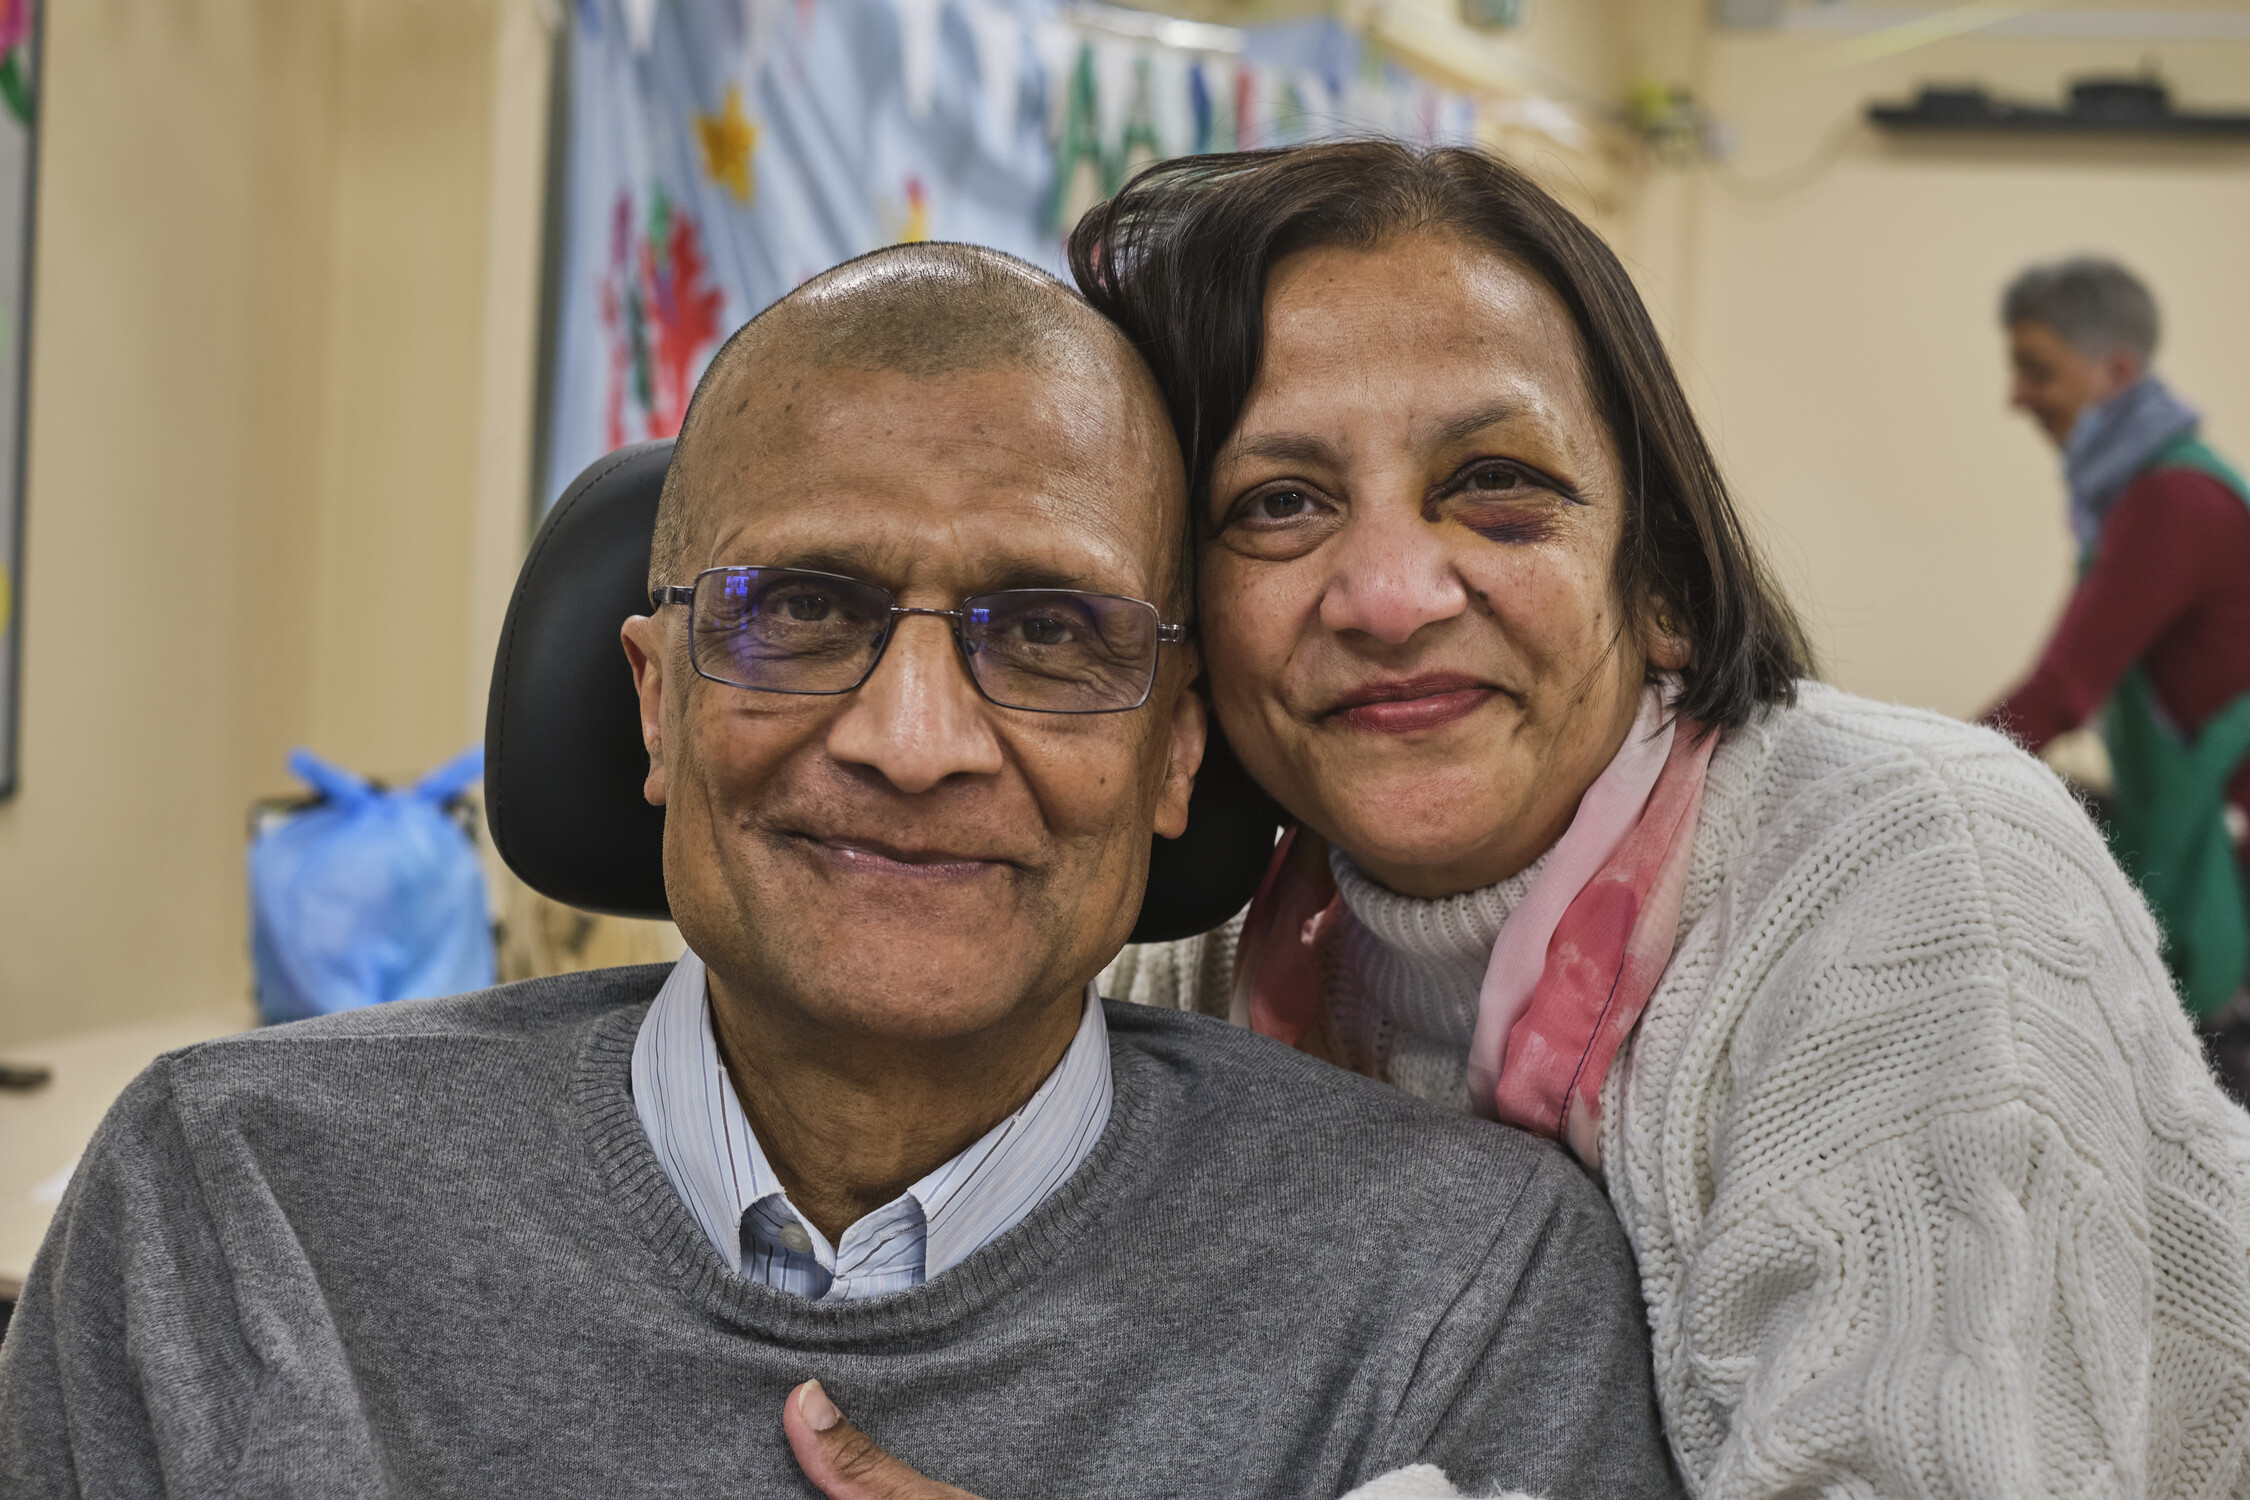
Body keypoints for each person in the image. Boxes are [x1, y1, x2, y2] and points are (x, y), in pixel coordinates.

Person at [0, 243, 1683, 1499]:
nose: (916, 738)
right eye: (802, 611)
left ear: (1180, 751)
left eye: (1048, 631)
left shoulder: (1453, 1295)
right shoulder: (242, 1200)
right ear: (656, 703)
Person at [802, 149, 2250, 1500]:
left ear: (1660, 579)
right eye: (1279, 502)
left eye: (1495, 485)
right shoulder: (1215, 939)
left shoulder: (1906, 878)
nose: (1390, 594)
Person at [1980, 257, 2250, 1066]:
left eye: (2037, 369)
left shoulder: (2174, 503)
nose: (2017, 396)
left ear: (2118, 371)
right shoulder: (2143, 496)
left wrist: (1908, 780)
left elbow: (2061, 690)